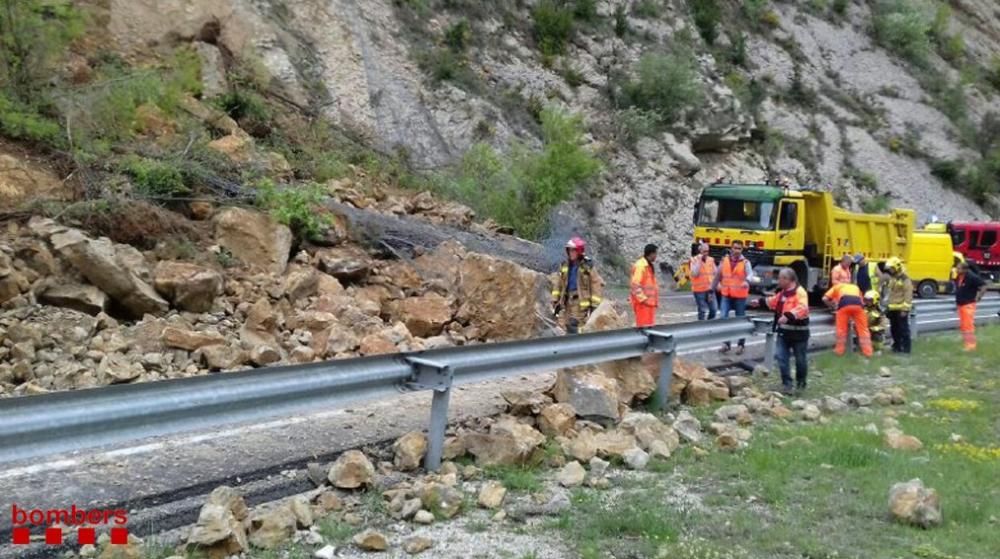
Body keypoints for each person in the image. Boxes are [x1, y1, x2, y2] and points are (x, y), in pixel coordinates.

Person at [753, 268, 810, 394]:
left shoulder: (800, 292)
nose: (778, 280)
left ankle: (801, 385)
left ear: (787, 280)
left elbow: (803, 308)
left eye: (780, 278)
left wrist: (788, 316)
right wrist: (760, 302)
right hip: (784, 332)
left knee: (800, 360)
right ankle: (787, 385)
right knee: (781, 358)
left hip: (799, 333)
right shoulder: (783, 293)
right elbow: (774, 301)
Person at [551, 237, 603, 334]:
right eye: (569, 250)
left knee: (575, 326)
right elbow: (558, 283)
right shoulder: (564, 265)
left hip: (579, 303)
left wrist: (594, 305)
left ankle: (577, 345)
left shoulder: (587, 266)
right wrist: (555, 299)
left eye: (573, 250)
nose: (571, 253)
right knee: (561, 325)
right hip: (565, 302)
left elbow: (596, 284)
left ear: (579, 251)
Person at [715, 240, 756, 354]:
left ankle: (741, 345)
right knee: (724, 318)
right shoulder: (725, 260)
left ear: (742, 250)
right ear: (731, 248)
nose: (737, 250)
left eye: (739, 248)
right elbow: (718, 274)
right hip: (726, 294)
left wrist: (747, 281)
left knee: (740, 320)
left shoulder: (746, 262)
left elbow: (750, 275)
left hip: (739, 296)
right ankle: (726, 344)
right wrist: (713, 287)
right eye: (735, 248)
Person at [822, 282, 873, 357]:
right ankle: (868, 352)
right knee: (863, 330)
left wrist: (832, 306)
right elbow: (862, 300)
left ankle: (839, 352)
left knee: (841, 330)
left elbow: (824, 298)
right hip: (858, 305)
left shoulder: (836, 286)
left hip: (844, 304)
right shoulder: (855, 287)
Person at [954, 261, 988, 351]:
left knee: (968, 326)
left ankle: (971, 346)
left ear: (965, 270)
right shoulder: (960, 276)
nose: (956, 269)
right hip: (961, 304)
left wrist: (979, 297)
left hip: (968, 305)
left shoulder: (972, 277)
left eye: (958, 268)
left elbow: (984, 285)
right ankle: (966, 343)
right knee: (963, 326)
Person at [884, 257, 913, 354]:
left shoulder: (905, 279)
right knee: (894, 329)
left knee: (903, 330)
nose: (890, 270)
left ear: (897, 267)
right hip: (893, 309)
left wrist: (905, 309)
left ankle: (906, 349)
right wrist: (887, 306)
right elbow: (891, 293)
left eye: (891, 268)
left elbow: (908, 295)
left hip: (901, 309)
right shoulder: (893, 278)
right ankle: (896, 347)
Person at [630, 244, 659, 327]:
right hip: (643, 305)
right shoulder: (641, 266)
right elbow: (635, 285)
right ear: (651, 254)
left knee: (649, 327)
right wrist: (643, 299)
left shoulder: (647, 266)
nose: (656, 256)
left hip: (648, 304)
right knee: (644, 328)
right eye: (655, 254)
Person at [689, 242, 717, 321]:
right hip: (699, 290)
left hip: (710, 290)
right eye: (704, 251)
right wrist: (699, 261)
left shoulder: (711, 260)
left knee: (713, 309)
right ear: (700, 251)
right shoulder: (694, 260)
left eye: (707, 251)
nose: (706, 253)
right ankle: (701, 325)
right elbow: (694, 273)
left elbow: (715, 273)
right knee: (702, 310)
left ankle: (708, 323)